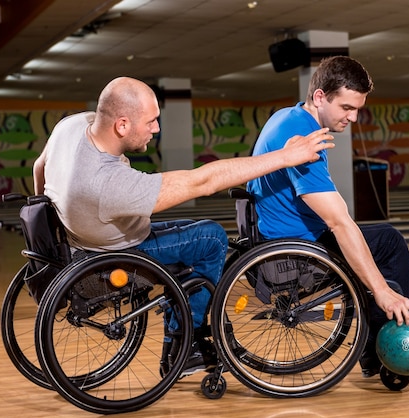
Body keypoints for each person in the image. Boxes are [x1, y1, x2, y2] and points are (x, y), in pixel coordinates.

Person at [32, 76, 335, 378]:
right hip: (123, 250)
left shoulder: (70, 128)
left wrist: (60, 217)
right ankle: (185, 343)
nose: (157, 129)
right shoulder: (107, 183)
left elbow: (39, 168)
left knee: (192, 231)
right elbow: (203, 181)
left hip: (84, 241)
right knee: (212, 237)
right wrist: (284, 157)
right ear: (121, 125)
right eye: (150, 121)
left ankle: (181, 315)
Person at [246, 56, 409, 378]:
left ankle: (374, 355)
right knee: (386, 283)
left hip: (279, 241)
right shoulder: (302, 139)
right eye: (346, 107)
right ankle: (388, 357)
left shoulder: (285, 117)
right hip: (293, 256)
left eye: (357, 109)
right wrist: (383, 291)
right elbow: (338, 222)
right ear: (319, 97)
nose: (353, 118)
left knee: (388, 240)